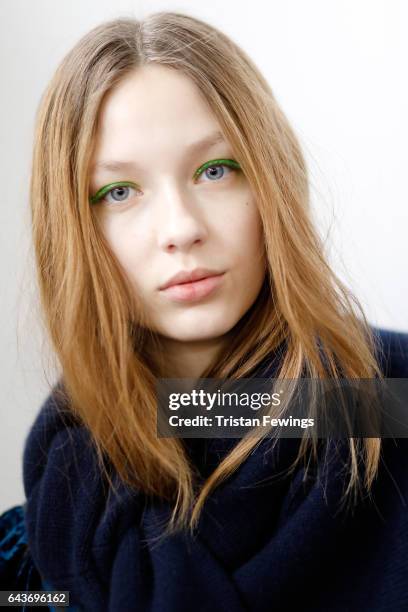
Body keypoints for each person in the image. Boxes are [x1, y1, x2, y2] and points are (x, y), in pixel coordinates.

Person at [1, 12, 407, 612]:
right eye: (119, 192)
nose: (182, 228)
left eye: (215, 171)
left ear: (271, 181)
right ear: (73, 229)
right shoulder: (38, 550)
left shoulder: (390, 399)